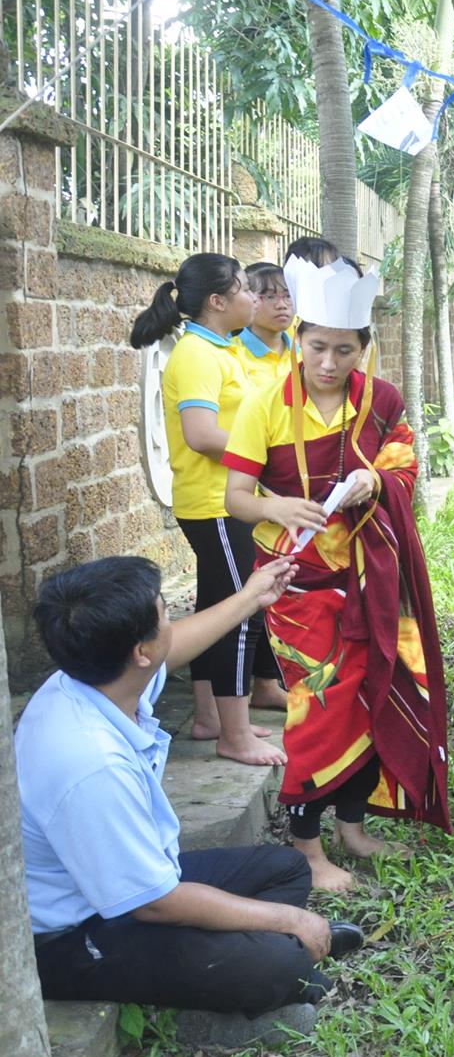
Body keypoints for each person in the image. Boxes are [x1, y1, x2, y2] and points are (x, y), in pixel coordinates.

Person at [20, 554, 368, 1046]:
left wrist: (252, 596)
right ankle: (237, 982)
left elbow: (177, 644)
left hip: (125, 887)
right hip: (72, 934)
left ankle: (235, 958)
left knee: (286, 868)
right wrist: (288, 919)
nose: (173, 621)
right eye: (165, 612)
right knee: (279, 964)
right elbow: (156, 903)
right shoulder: (89, 763)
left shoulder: (94, 678)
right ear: (140, 651)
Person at [221, 273, 453, 890]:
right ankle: (306, 848)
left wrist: (375, 481)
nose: (328, 363)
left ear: (364, 348)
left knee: (373, 690)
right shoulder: (265, 404)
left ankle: (353, 828)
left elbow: (402, 465)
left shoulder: (381, 400)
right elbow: (235, 497)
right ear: (299, 339)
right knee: (319, 708)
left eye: (344, 350)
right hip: (295, 583)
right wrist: (276, 507)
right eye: (318, 346)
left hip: (371, 576)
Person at [130, 253, 286, 766]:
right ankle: (234, 736)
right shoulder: (197, 354)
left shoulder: (221, 348)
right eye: (245, 289)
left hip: (227, 500)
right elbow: (200, 434)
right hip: (217, 503)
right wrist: (262, 456)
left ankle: (210, 718)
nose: (254, 298)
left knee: (219, 605)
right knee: (240, 612)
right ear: (217, 301)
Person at [237, 263, 294, 392]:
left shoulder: (303, 354)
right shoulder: (233, 352)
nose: (282, 305)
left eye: (288, 296)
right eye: (270, 297)